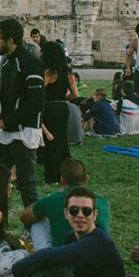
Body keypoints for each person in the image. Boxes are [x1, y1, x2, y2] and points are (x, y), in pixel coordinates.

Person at [0, 18, 45, 208]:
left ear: (11, 40)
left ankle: (34, 230)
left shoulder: (29, 62)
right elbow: (7, 96)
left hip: (25, 130)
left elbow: (36, 101)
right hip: (8, 130)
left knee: (26, 184)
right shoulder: (6, 63)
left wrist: (10, 120)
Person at [19, 159, 110, 250]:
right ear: (86, 178)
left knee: (38, 222)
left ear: (62, 179)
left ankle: (42, 257)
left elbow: (25, 217)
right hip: (100, 257)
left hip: (63, 257)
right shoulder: (102, 201)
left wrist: (48, 200)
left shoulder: (54, 200)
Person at [41, 41, 77, 184]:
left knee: (51, 143)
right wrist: (62, 96)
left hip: (50, 107)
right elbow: (74, 94)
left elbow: (40, 91)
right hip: (63, 107)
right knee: (62, 142)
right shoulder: (68, 72)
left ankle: (52, 176)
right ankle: (68, 173)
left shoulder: (49, 72)